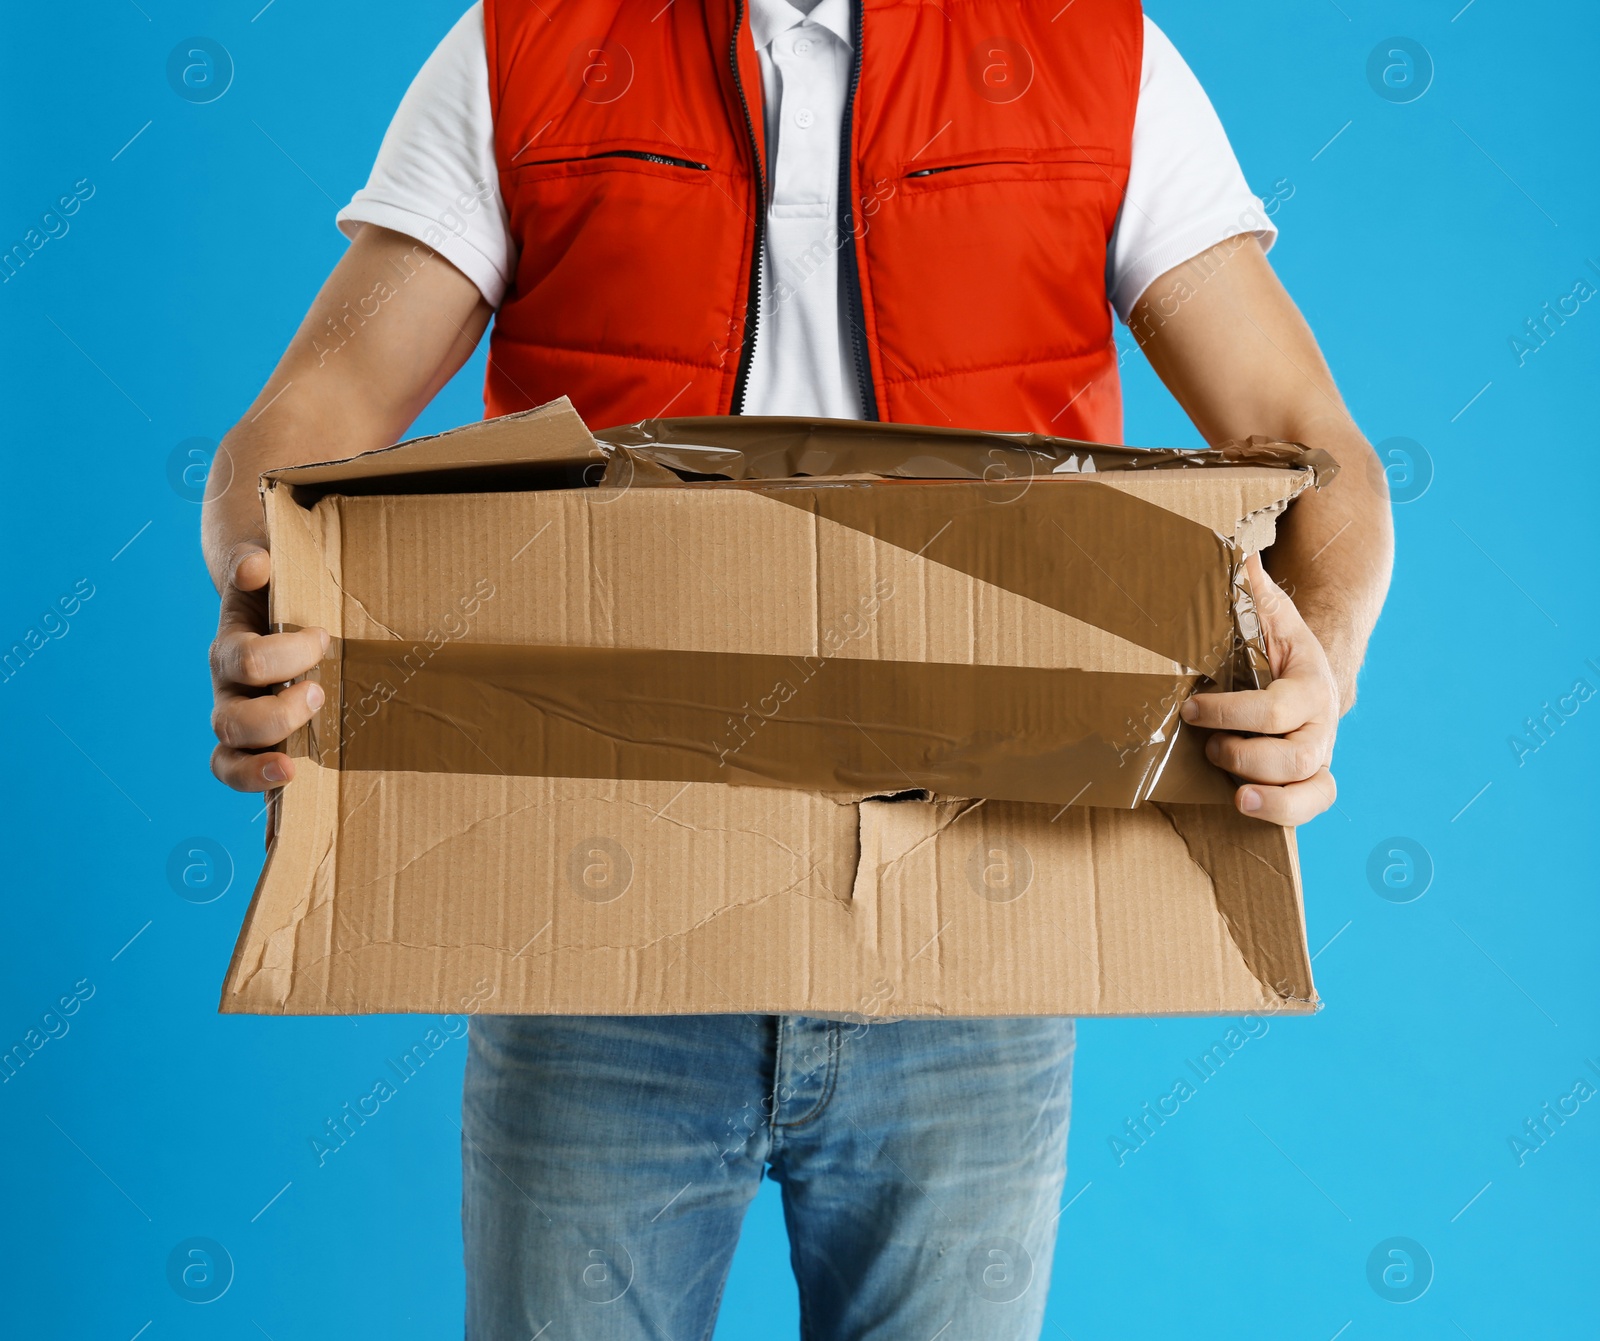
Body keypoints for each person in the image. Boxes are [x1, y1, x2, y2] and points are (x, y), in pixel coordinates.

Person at [203, 2, 1392, 1336]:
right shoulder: (526, 46)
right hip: (594, 923)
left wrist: (1322, 666)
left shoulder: (1095, 55)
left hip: (980, 925)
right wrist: (269, 584)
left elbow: (1312, 446)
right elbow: (308, 415)